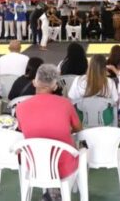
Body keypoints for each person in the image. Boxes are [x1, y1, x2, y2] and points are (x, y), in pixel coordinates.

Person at [15, 64, 82, 200]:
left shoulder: (21, 107)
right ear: (55, 85)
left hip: (35, 164)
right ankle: (55, 191)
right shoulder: (65, 104)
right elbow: (78, 129)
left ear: (35, 82)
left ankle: (51, 191)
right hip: (64, 165)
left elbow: (24, 130)